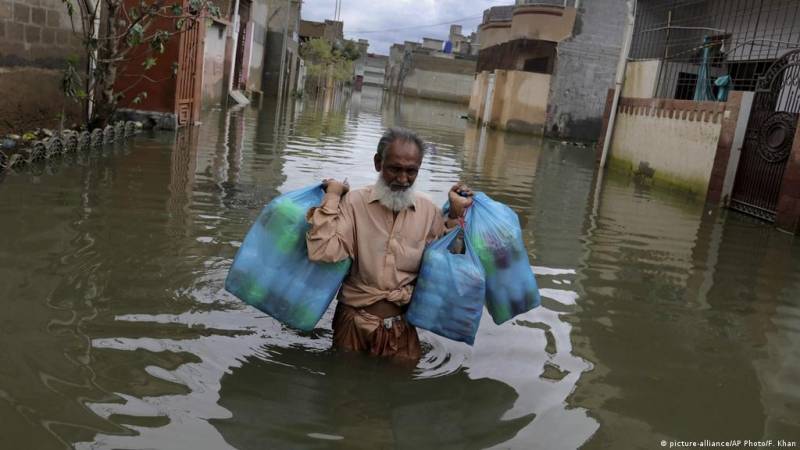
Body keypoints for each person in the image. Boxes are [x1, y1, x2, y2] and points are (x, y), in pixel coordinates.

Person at [305, 127, 473, 362]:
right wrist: (332, 197)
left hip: (402, 328)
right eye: (395, 169)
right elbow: (322, 251)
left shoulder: (429, 211)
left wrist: (456, 216)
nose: (403, 179)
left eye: (411, 171)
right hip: (352, 324)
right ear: (377, 163)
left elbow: (449, 270)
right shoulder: (353, 203)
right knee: (343, 392)